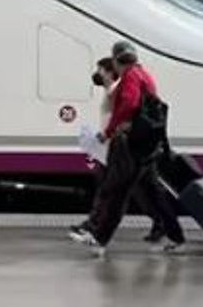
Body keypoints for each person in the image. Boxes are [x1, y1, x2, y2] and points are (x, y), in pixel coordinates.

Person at [76, 41, 185, 255]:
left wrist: (110, 131)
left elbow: (129, 104)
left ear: (117, 61)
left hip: (131, 144)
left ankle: (99, 240)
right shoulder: (145, 74)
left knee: (117, 191)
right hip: (147, 145)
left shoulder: (131, 77)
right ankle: (176, 236)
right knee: (154, 194)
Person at [69, 58, 166, 243]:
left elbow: (122, 116)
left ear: (108, 71)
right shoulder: (110, 90)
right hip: (113, 146)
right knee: (134, 190)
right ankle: (95, 224)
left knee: (118, 190)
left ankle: (95, 227)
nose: (97, 74)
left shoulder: (117, 91)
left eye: (100, 70)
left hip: (120, 148)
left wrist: (108, 134)